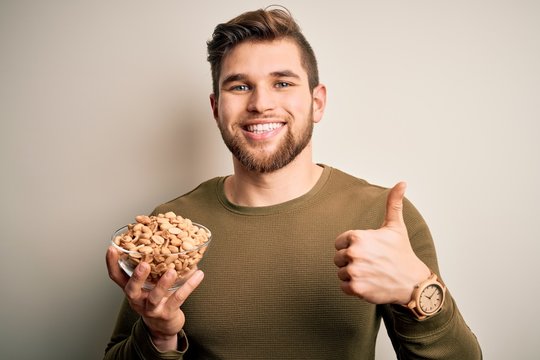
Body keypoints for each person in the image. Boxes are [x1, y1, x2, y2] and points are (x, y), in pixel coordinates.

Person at [104, 6, 482, 359]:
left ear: (317, 102)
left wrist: (419, 291)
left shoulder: (382, 219)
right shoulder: (172, 228)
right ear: (216, 108)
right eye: (239, 86)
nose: (261, 103)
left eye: (282, 83)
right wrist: (158, 335)